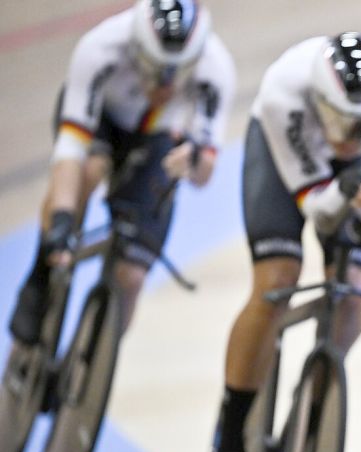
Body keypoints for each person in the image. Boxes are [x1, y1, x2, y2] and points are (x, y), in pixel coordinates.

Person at [204, 31, 361, 452]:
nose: (352, 135)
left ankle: (304, 421)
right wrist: (348, 189)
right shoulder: (286, 91)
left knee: (352, 301)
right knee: (277, 281)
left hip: (347, 178)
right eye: (343, 120)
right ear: (321, 100)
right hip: (286, 156)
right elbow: (320, 213)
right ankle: (230, 437)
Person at [5, 0, 234, 372]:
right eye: (155, 70)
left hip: (157, 140)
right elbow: (71, 149)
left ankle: (88, 367)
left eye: (176, 73)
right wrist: (62, 219)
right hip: (102, 122)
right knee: (90, 171)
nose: (165, 85)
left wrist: (193, 162)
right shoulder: (100, 47)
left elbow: (205, 175)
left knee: (131, 275)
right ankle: (41, 277)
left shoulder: (216, 68)